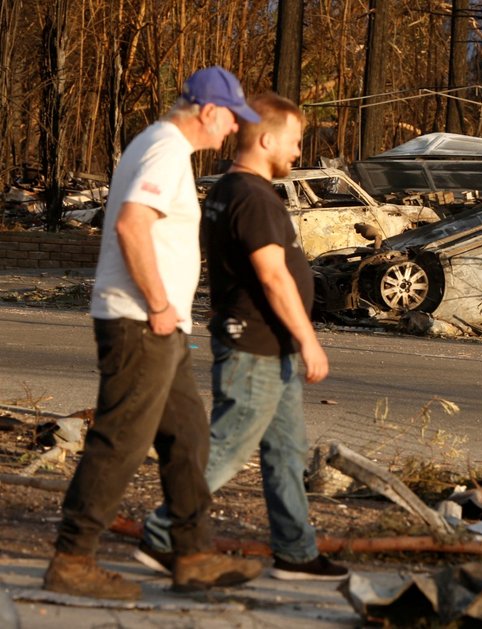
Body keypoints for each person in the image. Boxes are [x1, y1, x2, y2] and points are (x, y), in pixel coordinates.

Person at [44, 66, 265, 601]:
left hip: (158, 325)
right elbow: (131, 223)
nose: (233, 130)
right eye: (232, 119)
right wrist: (162, 304)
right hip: (141, 321)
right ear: (208, 111)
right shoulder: (165, 149)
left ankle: (192, 556)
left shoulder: (163, 149)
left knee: (187, 434)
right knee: (121, 439)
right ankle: (72, 559)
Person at [135, 92, 349, 581]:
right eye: (295, 142)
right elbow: (271, 275)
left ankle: (295, 552)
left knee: (286, 453)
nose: (298, 153)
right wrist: (309, 340)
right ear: (268, 139)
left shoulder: (232, 190)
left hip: (271, 347)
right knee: (229, 446)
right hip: (256, 345)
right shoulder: (252, 196)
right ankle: (164, 534)